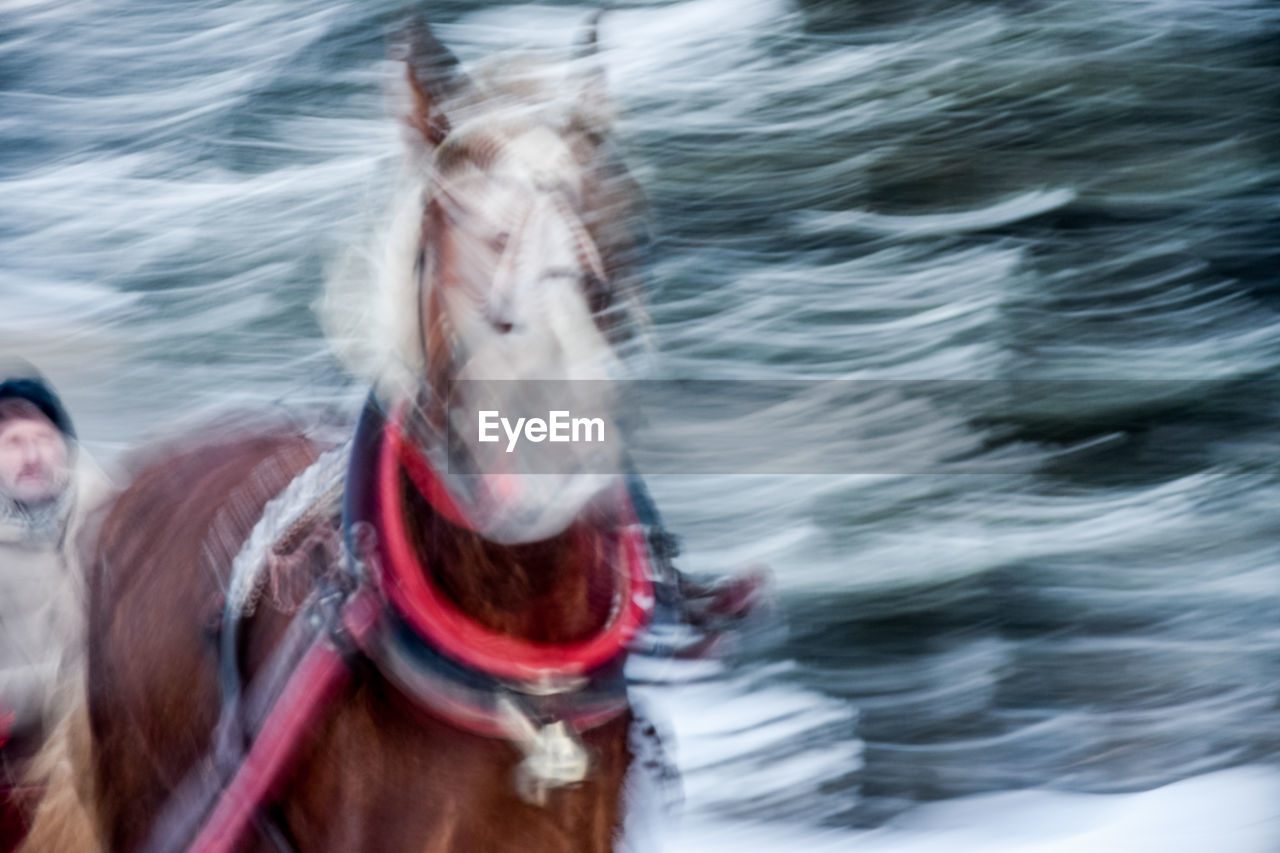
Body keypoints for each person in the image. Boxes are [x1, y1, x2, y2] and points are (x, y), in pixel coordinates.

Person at [0, 363, 107, 849]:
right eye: (12, 444)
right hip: (19, 762)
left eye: (41, 439)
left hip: (107, 738)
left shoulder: (110, 513)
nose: (31, 457)